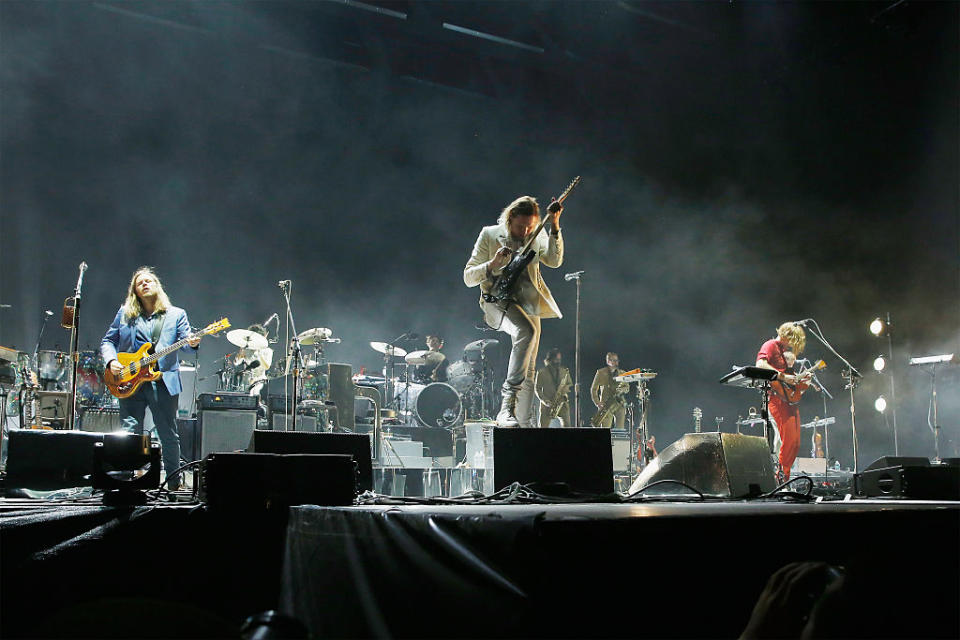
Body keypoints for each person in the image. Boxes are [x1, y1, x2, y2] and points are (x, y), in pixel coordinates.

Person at [463, 194, 564, 427]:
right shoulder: (489, 235)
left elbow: (554, 260)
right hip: (496, 301)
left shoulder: (536, 235)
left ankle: (523, 422)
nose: (525, 232)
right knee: (526, 331)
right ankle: (506, 406)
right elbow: (468, 277)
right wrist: (492, 264)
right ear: (509, 220)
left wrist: (555, 225)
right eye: (520, 226)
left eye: (530, 227)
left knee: (529, 369)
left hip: (527, 305)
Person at [101, 267, 202, 489]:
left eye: (149, 281)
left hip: (163, 381)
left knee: (168, 433)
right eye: (140, 283)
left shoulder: (176, 314)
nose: (145, 284)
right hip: (129, 381)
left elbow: (187, 344)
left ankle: (174, 484)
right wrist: (111, 362)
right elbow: (108, 341)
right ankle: (128, 482)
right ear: (134, 291)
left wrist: (193, 342)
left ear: (157, 286)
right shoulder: (125, 313)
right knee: (129, 432)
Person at [756, 322, 812, 482]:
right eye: (792, 341)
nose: (792, 346)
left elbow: (789, 380)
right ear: (787, 335)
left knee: (795, 443)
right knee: (786, 441)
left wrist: (802, 381)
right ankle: (780, 479)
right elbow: (760, 364)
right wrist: (782, 376)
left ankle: (783, 478)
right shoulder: (771, 345)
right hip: (776, 399)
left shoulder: (782, 351)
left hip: (788, 400)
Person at [535, 348, 572, 428]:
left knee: (567, 428)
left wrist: (564, 393)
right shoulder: (541, 372)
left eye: (559, 359)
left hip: (562, 404)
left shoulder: (564, 371)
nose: (558, 361)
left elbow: (569, 384)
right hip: (547, 406)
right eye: (556, 359)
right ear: (550, 359)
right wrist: (545, 401)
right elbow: (537, 389)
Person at [590, 352, 627, 428]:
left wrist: (622, 389)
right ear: (608, 361)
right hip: (606, 405)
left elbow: (627, 387)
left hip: (619, 404)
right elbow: (593, 389)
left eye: (616, 360)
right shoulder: (601, 372)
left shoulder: (622, 373)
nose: (615, 362)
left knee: (620, 430)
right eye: (612, 360)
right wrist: (597, 402)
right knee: (605, 430)